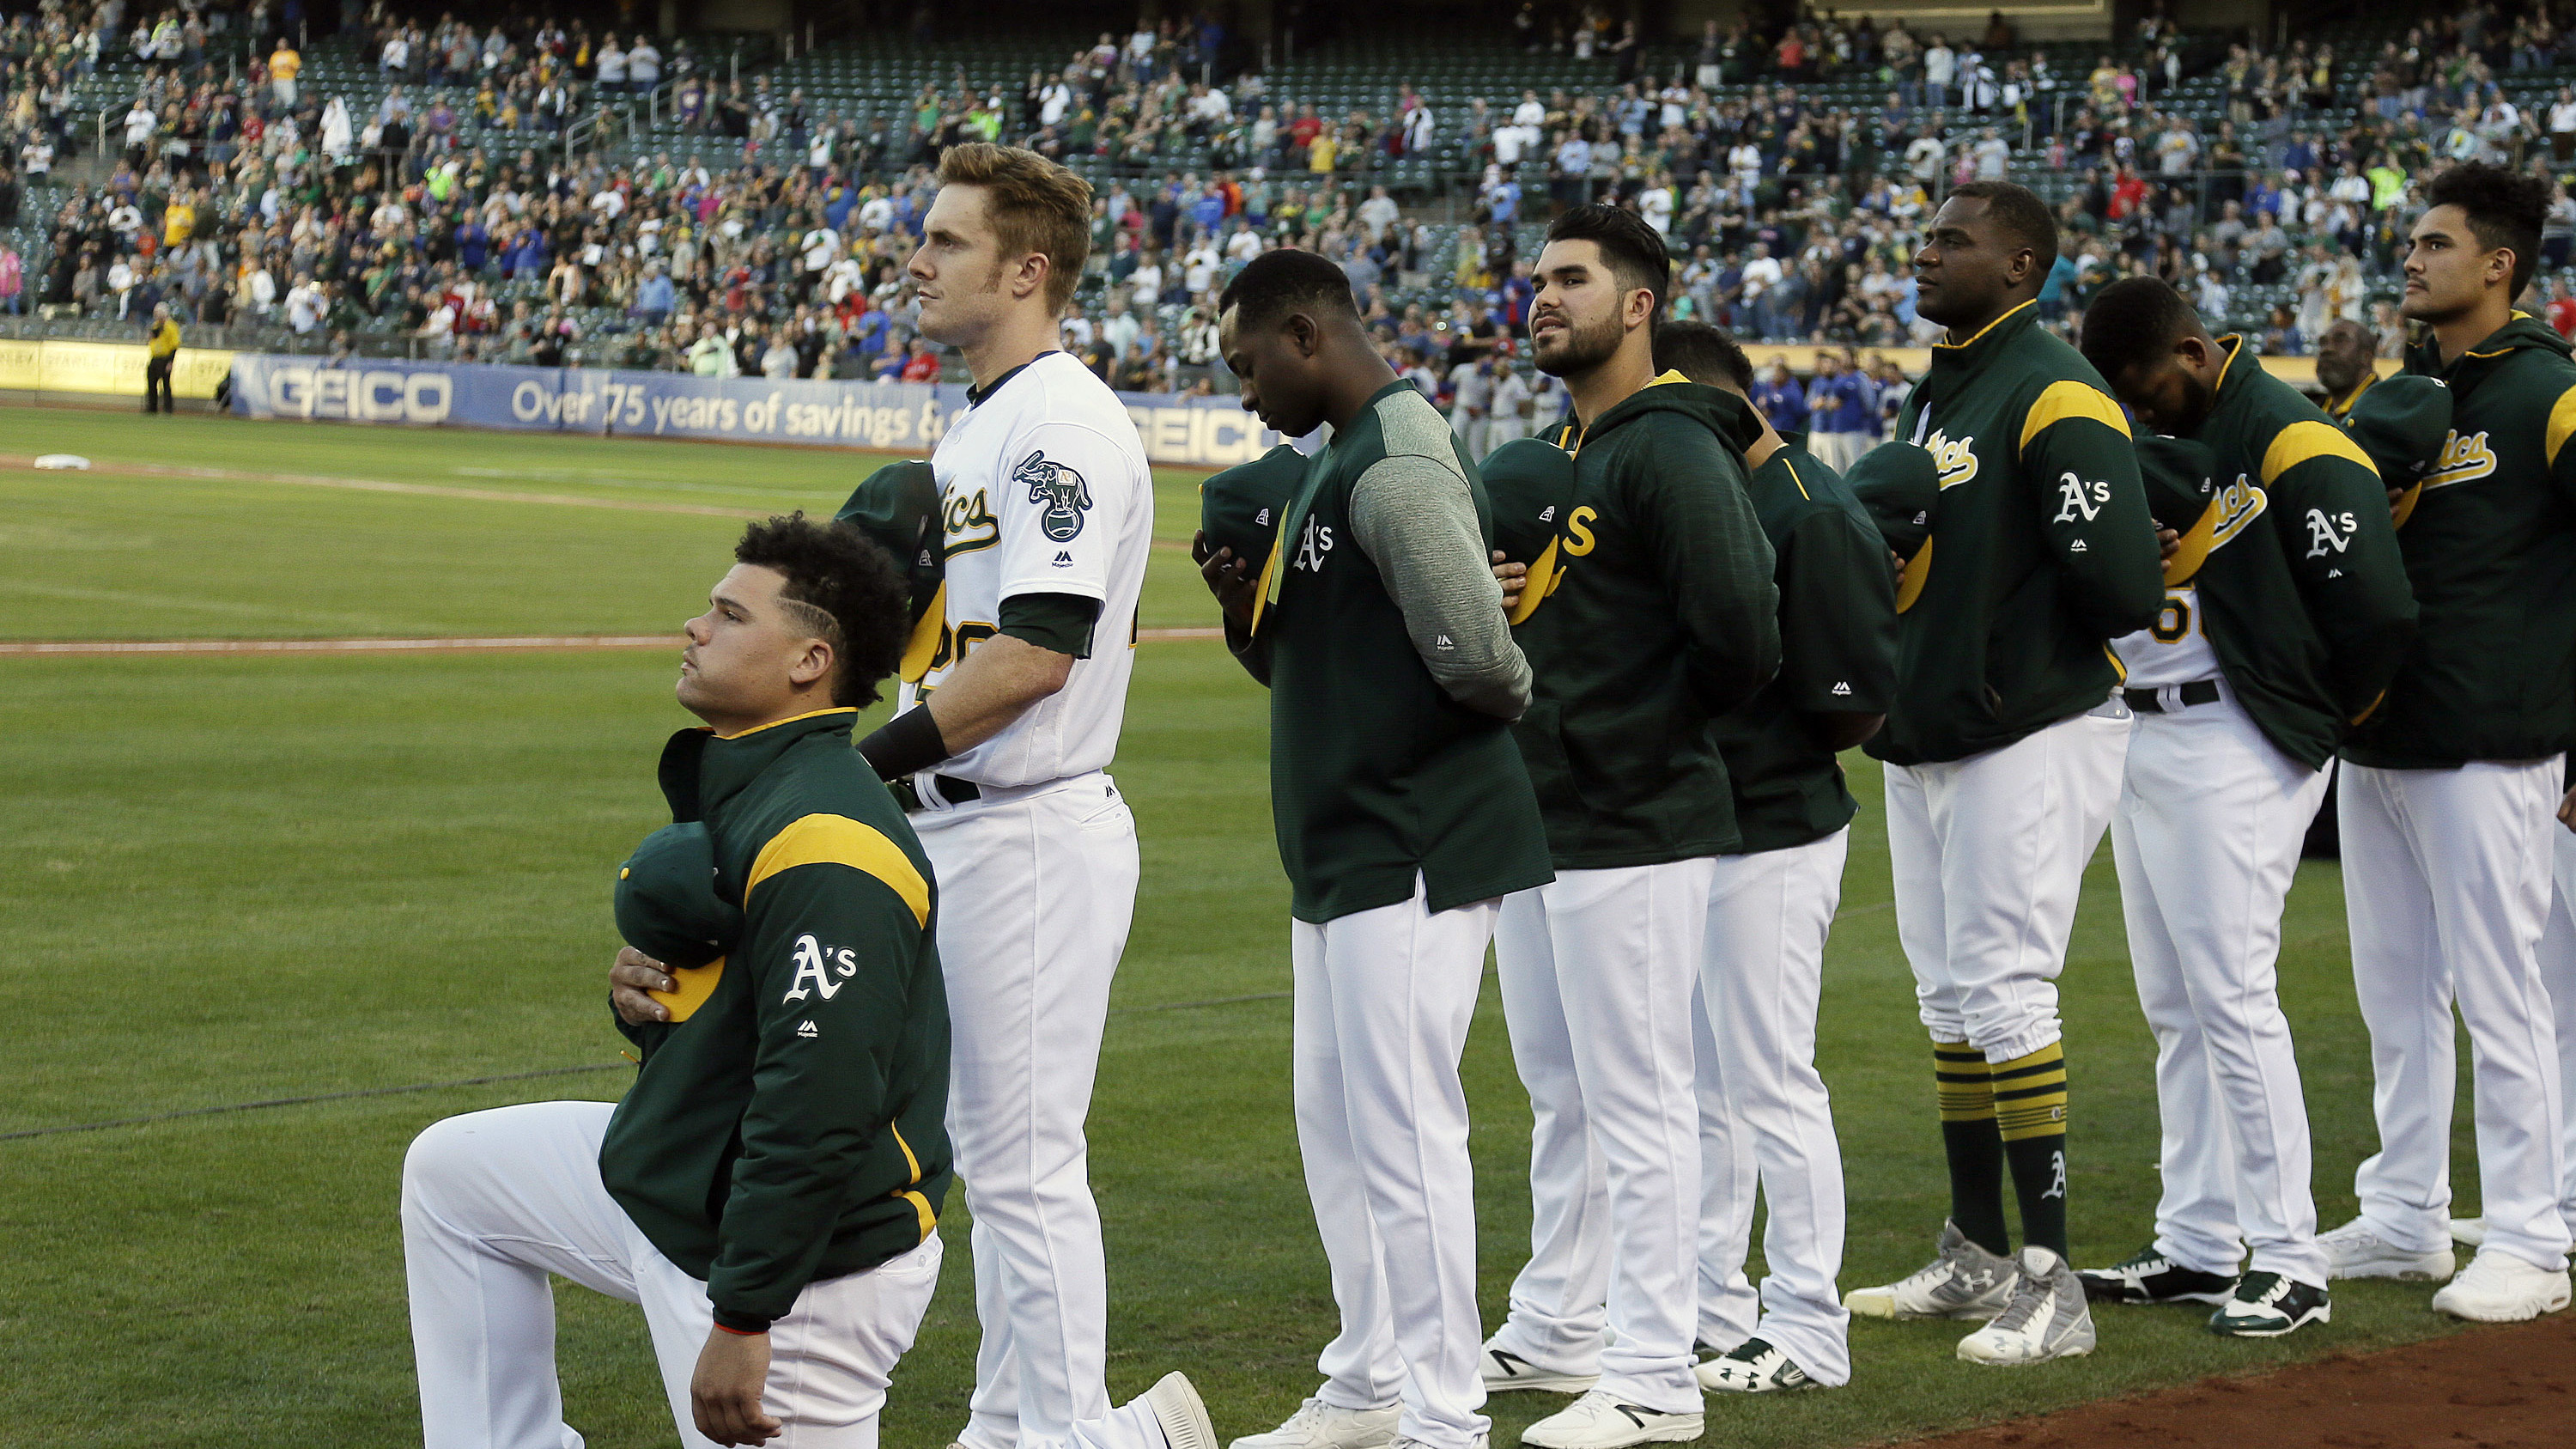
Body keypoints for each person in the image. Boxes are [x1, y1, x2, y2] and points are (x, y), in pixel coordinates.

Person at [409, 516, 1188, 1449]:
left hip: (808, 1269)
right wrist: (646, 997)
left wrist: (745, 1317)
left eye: (730, 615)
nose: (696, 628)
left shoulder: (828, 835)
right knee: (453, 1180)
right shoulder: (764, 783)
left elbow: (819, 1104)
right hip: (691, 1180)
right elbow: (746, 1007)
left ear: (809, 660)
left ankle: (1123, 1443)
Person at [735, 141, 1156, 1449]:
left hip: (1024, 821)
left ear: (1028, 269)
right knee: (983, 1154)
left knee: (1027, 1166)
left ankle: (1067, 1431)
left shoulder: (1062, 421)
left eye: (949, 242)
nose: (915, 260)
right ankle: (1006, 1420)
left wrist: (847, 765)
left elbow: (1034, 656)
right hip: (961, 818)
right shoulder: (983, 419)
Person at [1197, 247, 1552, 1449]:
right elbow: (1319, 658)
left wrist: (1493, 676)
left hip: (1413, 834)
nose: (1246, 392)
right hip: (1349, 844)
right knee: (1342, 1127)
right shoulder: (1338, 459)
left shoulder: (1392, 458)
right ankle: (1367, 1383)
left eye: (1250, 364)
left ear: (1306, 334)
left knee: (1402, 1135)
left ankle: (1446, 1416)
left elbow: (1479, 657)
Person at [1472, 209, 1781, 1448]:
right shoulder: (1566, 449)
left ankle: (1658, 1371)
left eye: (1571, 279)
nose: (1542, 297)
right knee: (1564, 1088)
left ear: (1640, 302)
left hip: (1638, 814)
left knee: (1642, 1096)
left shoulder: (1670, 447)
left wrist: (1639, 735)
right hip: (1547, 813)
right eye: (1537, 279)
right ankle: (1560, 1321)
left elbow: (1745, 636)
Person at [1842, 180, 2161, 1365]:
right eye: (1923, 234)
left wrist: (2008, 643)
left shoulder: (2054, 388)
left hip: (2026, 724)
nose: (1924, 254)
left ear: (2022, 265)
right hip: (1934, 731)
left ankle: (2053, 1281)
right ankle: (1978, 1249)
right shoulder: (1949, 388)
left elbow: (2125, 583)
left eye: (1953, 241)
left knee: (2010, 989)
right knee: (1951, 996)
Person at [2074, 277, 2420, 1338]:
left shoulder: (2286, 430)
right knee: (2175, 1001)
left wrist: (2318, 716)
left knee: (2228, 993)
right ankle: (2196, 1239)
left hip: (2236, 729)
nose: (2137, 408)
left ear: (2191, 349)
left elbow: (2378, 605)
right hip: (2149, 724)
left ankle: (2288, 1256)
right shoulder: (2212, 420)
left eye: (2144, 386)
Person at [2328, 161, 2576, 1323]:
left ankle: (2532, 1231)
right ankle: (2406, 1213)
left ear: (2499, 264)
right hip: (2381, 735)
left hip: (2490, 738)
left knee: (2501, 986)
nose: (2412, 259)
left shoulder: (2548, 392)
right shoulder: (2405, 393)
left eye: (2435, 244)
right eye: (2412, 243)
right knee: (2396, 993)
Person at [1656, 320, 1897, 1392]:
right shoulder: (1722, 494)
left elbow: (1847, 704)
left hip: (1782, 828)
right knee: (1709, 1084)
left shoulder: (1811, 508)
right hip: (1709, 826)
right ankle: (1716, 1303)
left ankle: (1810, 1325)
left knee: (1771, 1081)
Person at [2314, 317, 2379, 421]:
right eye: (2323, 342)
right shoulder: (2312, 412)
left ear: (2366, 357)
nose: (2326, 349)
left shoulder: (2385, 411)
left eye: (2340, 341)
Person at [143, 303, 179, 412]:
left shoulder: (171, 326)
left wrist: (170, 362)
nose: (156, 315)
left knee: (166, 385)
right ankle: (152, 407)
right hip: (155, 357)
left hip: (165, 358)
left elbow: (174, 345)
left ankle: (168, 408)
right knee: (151, 383)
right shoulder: (156, 325)